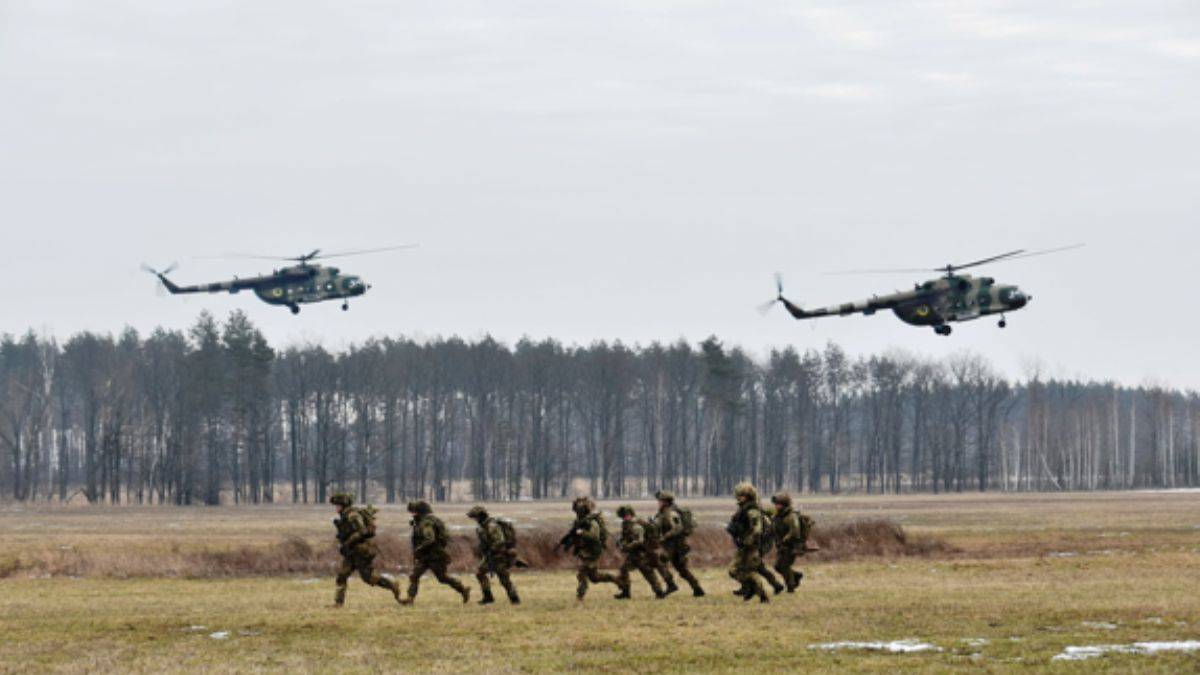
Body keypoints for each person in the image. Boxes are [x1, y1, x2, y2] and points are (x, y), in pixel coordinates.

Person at [329, 492, 402, 607]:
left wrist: (348, 542)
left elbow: (362, 531)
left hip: (361, 551)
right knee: (342, 575)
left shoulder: (353, 515)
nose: (336, 508)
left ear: (343, 505)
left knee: (369, 577)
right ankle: (338, 603)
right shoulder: (344, 516)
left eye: (338, 505)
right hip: (351, 552)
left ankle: (392, 584)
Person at [400, 500, 470, 605]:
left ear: (420, 512)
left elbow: (430, 539)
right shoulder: (422, 521)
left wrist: (418, 549)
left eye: (414, 512)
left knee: (442, 578)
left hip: (435, 555)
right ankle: (410, 599)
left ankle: (463, 590)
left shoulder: (426, 523)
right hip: (425, 556)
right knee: (414, 576)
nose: (412, 514)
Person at [558, 497, 621, 602]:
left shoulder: (592, 522)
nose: (577, 512)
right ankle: (618, 581)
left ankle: (580, 596)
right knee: (594, 578)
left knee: (582, 573)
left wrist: (582, 532)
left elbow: (594, 537)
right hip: (585, 551)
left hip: (593, 552)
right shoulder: (579, 521)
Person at [653, 490, 705, 597]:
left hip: (675, 545)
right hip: (672, 545)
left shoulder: (671, 513)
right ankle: (697, 589)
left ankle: (671, 584)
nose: (658, 503)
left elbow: (678, 528)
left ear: (665, 502)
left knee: (660, 562)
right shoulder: (663, 513)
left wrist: (665, 536)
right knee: (681, 569)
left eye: (660, 501)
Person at [467, 505, 521, 605]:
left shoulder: (492, 526)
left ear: (481, 516)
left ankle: (515, 599)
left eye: (475, 517)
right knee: (480, 573)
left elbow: (500, 541)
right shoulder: (482, 527)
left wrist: (491, 549)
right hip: (490, 556)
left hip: (500, 555)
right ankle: (488, 597)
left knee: (504, 579)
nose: (475, 519)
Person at [726, 482, 770, 603]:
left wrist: (749, 540)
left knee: (750, 571)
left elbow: (757, 529)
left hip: (751, 547)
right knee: (733, 570)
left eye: (742, 495)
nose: (739, 498)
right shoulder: (742, 510)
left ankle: (762, 595)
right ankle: (750, 588)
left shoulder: (752, 511)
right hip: (743, 545)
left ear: (748, 496)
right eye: (738, 495)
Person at [614, 505, 667, 600]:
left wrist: (627, 546)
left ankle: (659, 592)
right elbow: (626, 538)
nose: (624, 518)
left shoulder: (636, 526)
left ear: (630, 515)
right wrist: (621, 543)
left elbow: (639, 541)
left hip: (641, 553)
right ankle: (626, 592)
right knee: (624, 570)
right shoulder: (626, 525)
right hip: (633, 554)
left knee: (648, 573)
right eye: (623, 517)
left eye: (626, 516)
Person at [770, 493, 806, 592]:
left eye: (779, 504)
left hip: (791, 545)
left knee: (782, 565)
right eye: (776, 504)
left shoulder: (791, 516)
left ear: (784, 505)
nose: (776, 506)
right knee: (779, 566)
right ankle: (796, 576)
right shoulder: (778, 516)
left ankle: (791, 586)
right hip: (782, 545)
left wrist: (785, 539)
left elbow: (795, 531)